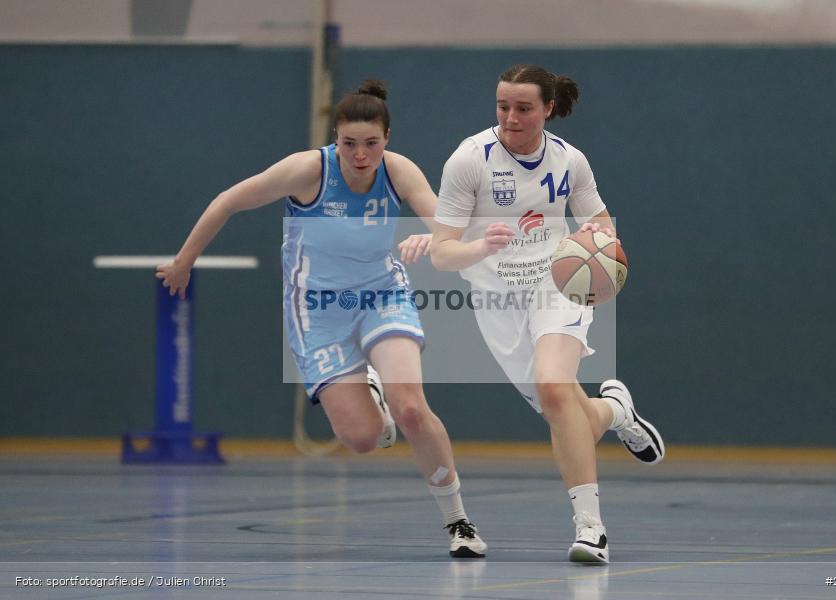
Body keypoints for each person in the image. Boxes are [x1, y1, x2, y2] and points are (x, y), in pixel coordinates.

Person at [156, 80, 487, 559]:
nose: (360, 154)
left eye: (371, 143)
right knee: (362, 438)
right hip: (317, 311)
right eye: (349, 143)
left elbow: (445, 227)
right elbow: (228, 200)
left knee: (412, 408)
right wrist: (184, 261)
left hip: (381, 294)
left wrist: (434, 238)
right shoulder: (307, 170)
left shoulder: (398, 171)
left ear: (387, 138)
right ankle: (370, 392)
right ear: (335, 138)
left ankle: (458, 521)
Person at [430, 64, 664, 564]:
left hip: (556, 286)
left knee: (556, 388)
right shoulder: (469, 160)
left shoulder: (569, 160)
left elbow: (601, 224)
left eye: (523, 108)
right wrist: (479, 247)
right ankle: (615, 411)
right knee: (567, 416)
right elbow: (441, 253)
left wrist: (601, 245)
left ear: (548, 109)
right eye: (502, 106)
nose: (510, 117)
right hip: (495, 300)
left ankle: (591, 529)